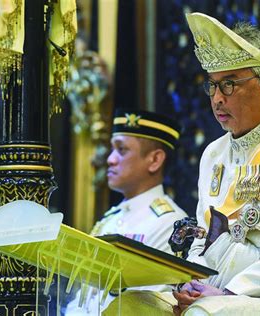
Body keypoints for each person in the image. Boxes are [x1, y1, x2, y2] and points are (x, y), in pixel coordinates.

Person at [104, 12, 260, 316]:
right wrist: (192, 283)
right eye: (212, 86)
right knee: (129, 307)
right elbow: (202, 239)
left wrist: (228, 292)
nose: (216, 98)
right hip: (213, 290)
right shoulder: (214, 154)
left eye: (229, 85)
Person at [65, 109, 188, 314]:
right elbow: (83, 295)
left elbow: (149, 303)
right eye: (112, 149)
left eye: (121, 150)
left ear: (155, 160)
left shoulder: (171, 223)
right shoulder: (110, 219)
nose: (111, 159)